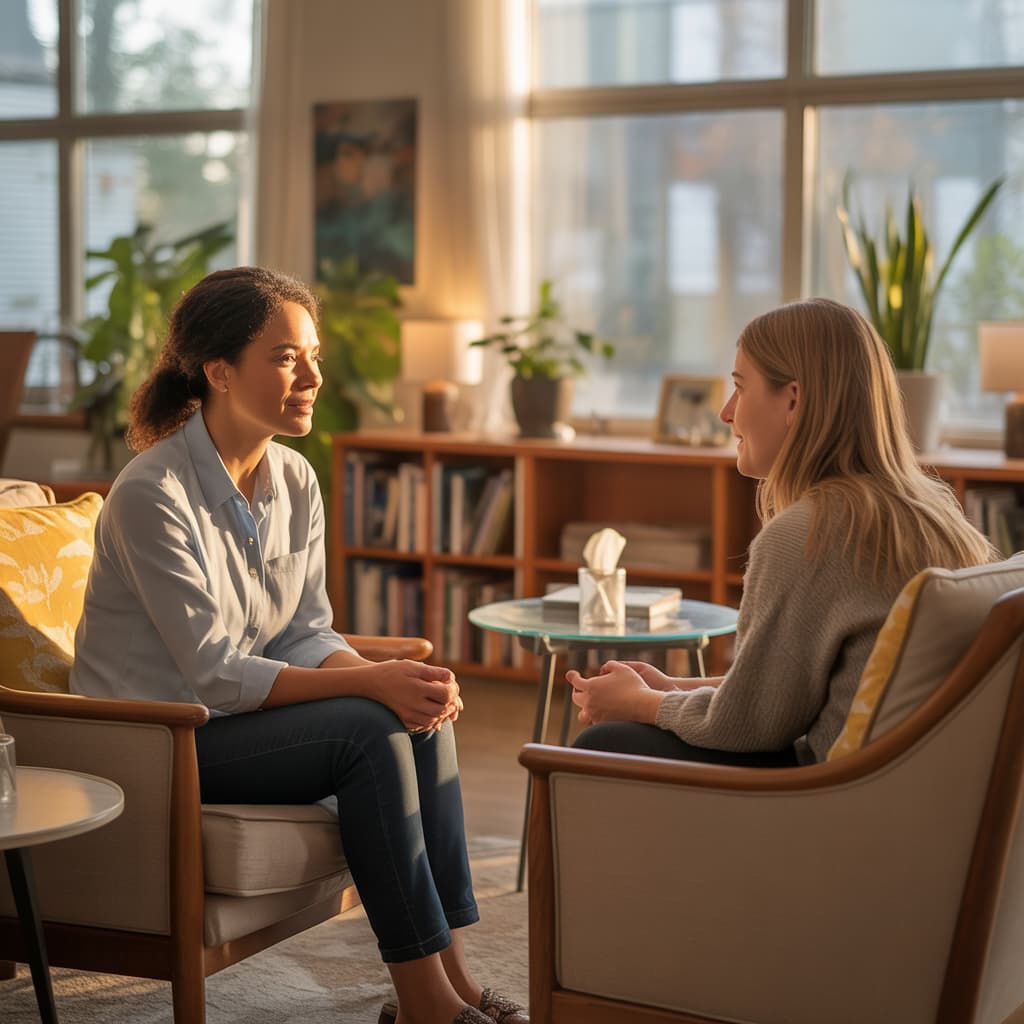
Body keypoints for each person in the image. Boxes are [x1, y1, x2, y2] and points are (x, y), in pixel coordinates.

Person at [70, 266, 527, 1024]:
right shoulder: (153, 495)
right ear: (218, 371)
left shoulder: (294, 476)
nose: (312, 375)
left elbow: (305, 630)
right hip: (156, 741)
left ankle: (455, 983)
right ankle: (425, 1007)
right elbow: (214, 677)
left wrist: (387, 678)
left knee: (411, 709)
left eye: (310, 354)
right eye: (287, 357)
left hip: (228, 724)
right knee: (367, 728)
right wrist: (366, 688)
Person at [568, 297, 995, 766]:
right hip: (905, 785)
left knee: (604, 743)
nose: (726, 413)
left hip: (826, 796)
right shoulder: (932, 514)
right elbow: (783, 693)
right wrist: (672, 688)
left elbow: (747, 725)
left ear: (792, 400)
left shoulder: (810, 534)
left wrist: (641, 705)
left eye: (740, 388)